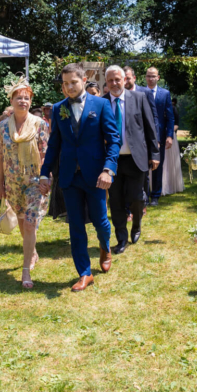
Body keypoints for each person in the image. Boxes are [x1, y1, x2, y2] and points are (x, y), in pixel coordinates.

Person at [38, 63, 120, 291]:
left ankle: (105, 246)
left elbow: (113, 140)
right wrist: (44, 173)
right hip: (69, 177)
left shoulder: (102, 105)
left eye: (73, 82)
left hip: (95, 175)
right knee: (75, 226)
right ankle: (84, 273)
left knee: (100, 221)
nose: (69, 87)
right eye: (65, 83)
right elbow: (54, 144)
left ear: (84, 80)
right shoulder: (58, 109)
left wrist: (108, 169)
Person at [0, 80, 50, 288]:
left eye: (27, 97)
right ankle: (32, 252)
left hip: (35, 180)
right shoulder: (2, 126)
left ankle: (26, 269)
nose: (23, 101)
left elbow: (46, 154)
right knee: (20, 219)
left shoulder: (40, 124)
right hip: (12, 182)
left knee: (29, 222)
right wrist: (0, 183)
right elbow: (1, 156)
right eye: (19, 97)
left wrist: (46, 177)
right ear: (11, 100)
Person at [104, 65, 159, 254]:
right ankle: (121, 238)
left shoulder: (139, 98)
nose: (114, 83)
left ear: (124, 80)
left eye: (117, 79)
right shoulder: (101, 102)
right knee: (116, 201)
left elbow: (150, 127)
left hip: (137, 159)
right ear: (106, 82)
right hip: (112, 161)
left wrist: (155, 154)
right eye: (110, 80)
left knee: (137, 198)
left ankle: (136, 225)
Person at [144, 67, 174, 206]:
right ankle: (144, 195)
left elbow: (170, 116)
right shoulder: (140, 92)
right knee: (143, 165)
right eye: (148, 76)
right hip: (142, 135)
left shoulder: (165, 93)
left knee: (157, 165)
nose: (150, 78)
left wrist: (169, 135)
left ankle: (155, 195)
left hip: (159, 136)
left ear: (158, 77)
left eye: (153, 76)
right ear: (145, 77)